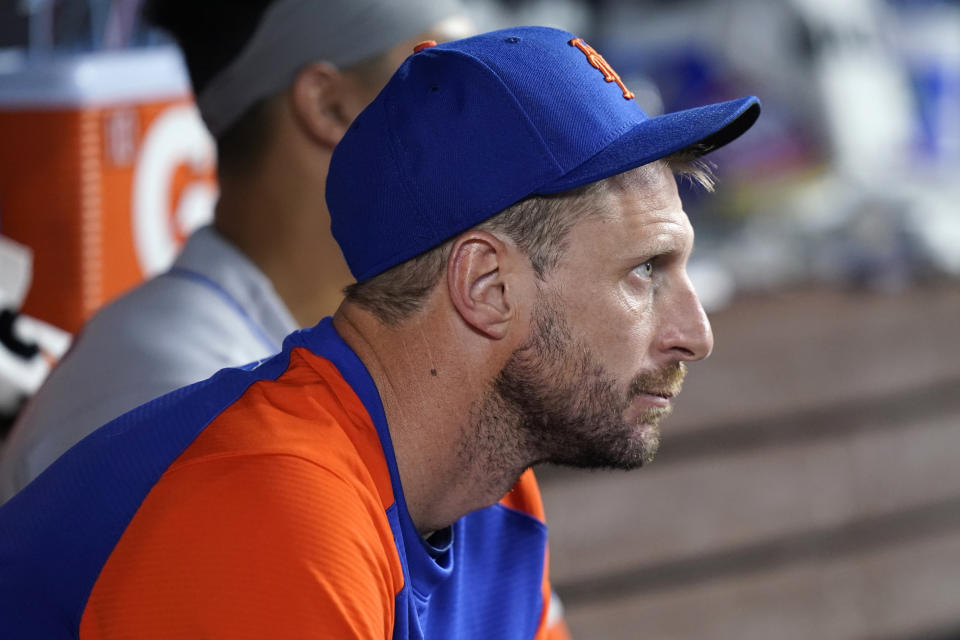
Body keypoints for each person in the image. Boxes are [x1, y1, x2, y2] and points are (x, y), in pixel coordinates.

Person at [0, 26, 759, 638]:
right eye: (646, 271)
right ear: (487, 288)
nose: (694, 334)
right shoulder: (275, 511)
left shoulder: (492, 496)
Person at [0, 0, 472, 502]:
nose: (488, 119)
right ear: (330, 106)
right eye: (443, 81)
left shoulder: (335, 352)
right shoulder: (173, 399)